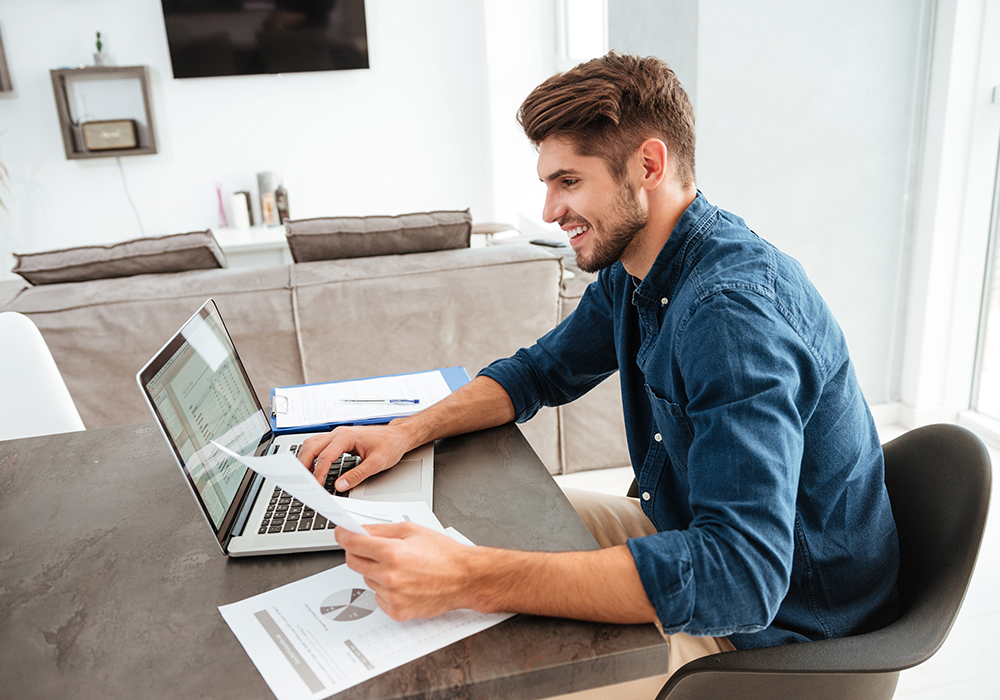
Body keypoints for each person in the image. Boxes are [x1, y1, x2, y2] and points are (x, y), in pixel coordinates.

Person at [298, 52, 900, 689]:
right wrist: (405, 430)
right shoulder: (637, 268)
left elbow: (741, 576)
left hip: (779, 636)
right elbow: (538, 374)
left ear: (647, 165)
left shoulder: (730, 316)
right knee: (474, 521)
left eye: (568, 181)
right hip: (684, 531)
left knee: (478, 640)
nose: (551, 209)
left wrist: (470, 578)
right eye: (548, 184)